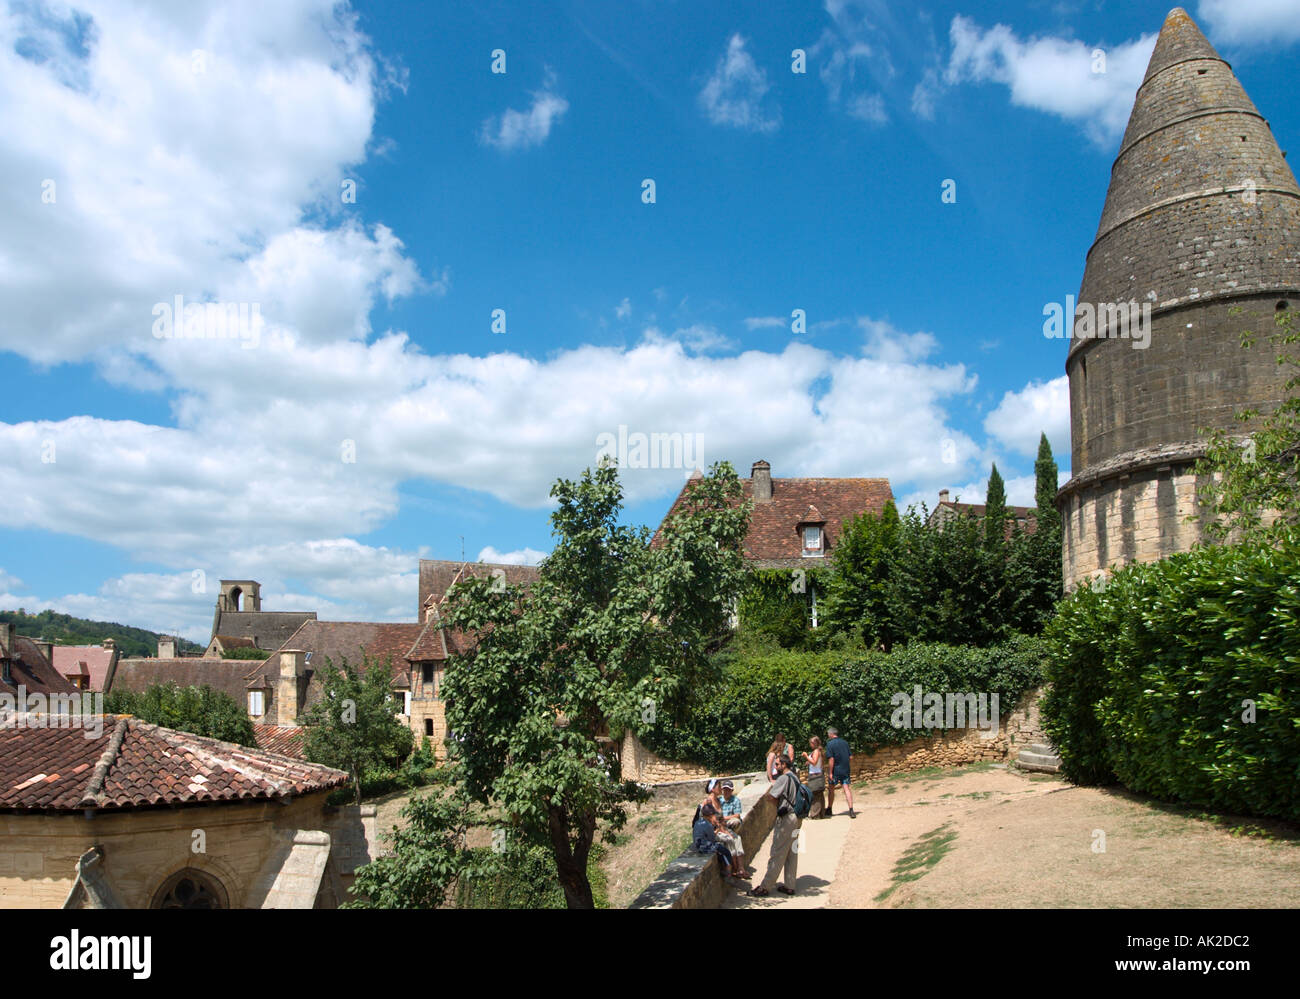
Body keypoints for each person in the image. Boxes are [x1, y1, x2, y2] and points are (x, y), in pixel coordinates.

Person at [748, 754, 801, 897]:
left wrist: (770, 800)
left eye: (777, 764)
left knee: (777, 852)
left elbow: (772, 796)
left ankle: (765, 887)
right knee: (792, 852)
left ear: (784, 765)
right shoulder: (795, 776)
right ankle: (790, 886)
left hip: (787, 819)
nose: (775, 767)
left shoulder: (783, 778)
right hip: (797, 818)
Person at [692, 803, 734, 880]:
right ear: (710, 815)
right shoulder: (708, 825)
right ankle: (728, 870)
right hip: (704, 846)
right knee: (725, 851)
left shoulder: (698, 822)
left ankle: (725, 868)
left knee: (720, 851)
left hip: (698, 845)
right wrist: (717, 829)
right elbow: (712, 838)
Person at [825, 726, 855, 818]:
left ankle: (829, 809)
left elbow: (831, 759)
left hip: (835, 771)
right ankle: (851, 810)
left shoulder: (830, 744)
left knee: (831, 789)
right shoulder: (845, 743)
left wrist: (830, 772)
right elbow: (850, 757)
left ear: (831, 734)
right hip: (845, 769)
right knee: (846, 788)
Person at [710, 809, 750, 879]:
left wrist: (724, 829)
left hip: (723, 831)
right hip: (717, 834)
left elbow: (727, 831)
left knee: (738, 838)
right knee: (730, 840)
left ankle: (741, 867)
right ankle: (735, 869)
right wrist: (721, 829)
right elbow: (714, 834)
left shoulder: (718, 818)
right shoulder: (710, 823)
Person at [802, 736, 826, 819]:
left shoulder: (816, 751)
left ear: (814, 743)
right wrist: (809, 762)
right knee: (819, 795)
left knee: (815, 795)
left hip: (815, 775)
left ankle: (815, 814)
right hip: (818, 774)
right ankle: (821, 814)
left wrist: (806, 756)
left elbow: (814, 762)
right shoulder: (818, 751)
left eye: (811, 743)